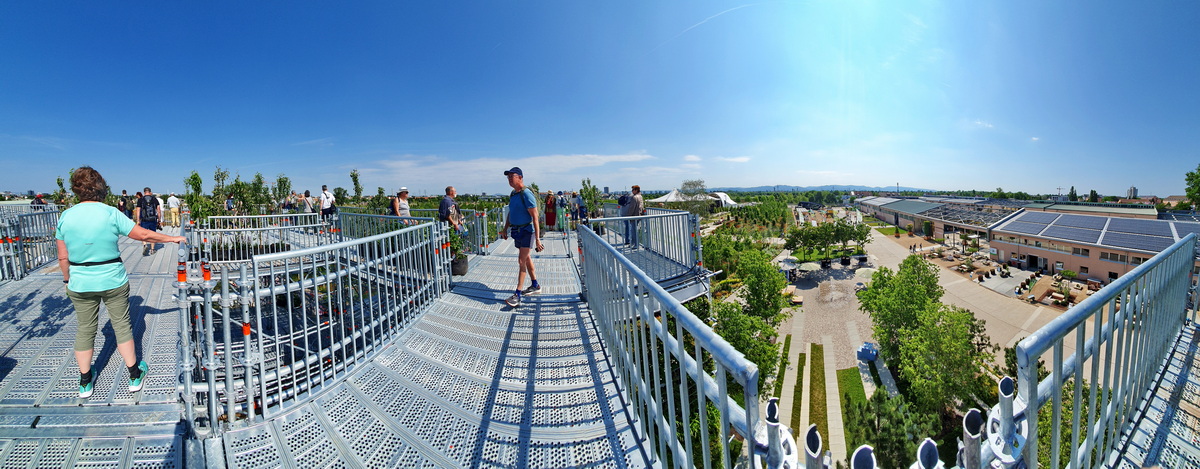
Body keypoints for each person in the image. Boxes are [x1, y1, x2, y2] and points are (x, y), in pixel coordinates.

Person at [55, 167, 186, 398]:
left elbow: (63, 257)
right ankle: (134, 375)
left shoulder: (66, 216)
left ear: (76, 189)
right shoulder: (109, 213)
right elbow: (143, 235)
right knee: (122, 326)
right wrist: (172, 238)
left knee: (85, 329)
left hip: (80, 281)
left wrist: (67, 280)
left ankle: (85, 381)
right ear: (101, 187)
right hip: (112, 279)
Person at [500, 167, 543, 307]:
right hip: (516, 230)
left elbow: (535, 217)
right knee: (526, 258)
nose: (509, 179)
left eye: (512, 176)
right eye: (508, 177)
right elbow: (511, 212)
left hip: (527, 231)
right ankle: (535, 285)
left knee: (521, 260)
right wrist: (505, 229)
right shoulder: (513, 194)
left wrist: (538, 239)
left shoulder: (526, 194)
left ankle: (517, 294)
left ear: (520, 177)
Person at [133, 187, 161, 256]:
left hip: (144, 219)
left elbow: (138, 210)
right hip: (153, 219)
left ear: (144, 192)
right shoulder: (154, 199)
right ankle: (152, 249)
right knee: (153, 234)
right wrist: (159, 220)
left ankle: (145, 244)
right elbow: (158, 210)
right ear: (150, 192)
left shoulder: (140, 199)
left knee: (143, 233)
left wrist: (138, 220)